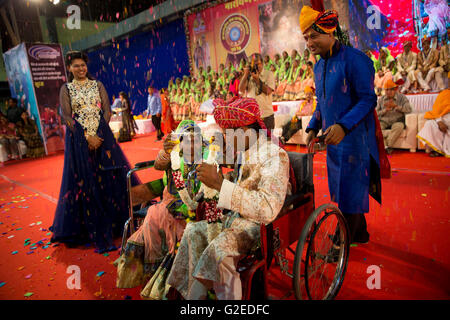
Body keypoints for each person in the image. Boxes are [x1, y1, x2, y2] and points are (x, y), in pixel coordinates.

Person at [166, 98, 290, 300]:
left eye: (228, 133)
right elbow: (239, 185)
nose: (225, 138)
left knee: (219, 249)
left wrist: (220, 185)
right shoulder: (245, 152)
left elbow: (267, 208)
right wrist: (216, 183)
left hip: (258, 227)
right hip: (234, 218)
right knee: (192, 232)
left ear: (246, 130)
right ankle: (190, 294)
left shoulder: (274, 155)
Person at [301, 6, 388, 249]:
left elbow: (368, 99)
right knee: (342, 188)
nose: (309, 42)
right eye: (306, 37)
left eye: (313, 36)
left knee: (351, 188)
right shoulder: (319, 66)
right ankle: (360, 233)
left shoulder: (355, 60)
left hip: (355, 138)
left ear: (330, 32)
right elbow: (322, 102)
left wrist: (343, 126)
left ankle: (342, 242)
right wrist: (312, 126)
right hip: (333, 140)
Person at [50, 51, 140, 253]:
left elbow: (106, 111)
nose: (81, 69)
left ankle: (117, 224)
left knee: (108, 177)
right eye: (76, 66)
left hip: (103, 138)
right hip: (79, 141)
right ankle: (92, 227)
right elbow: (67, 116)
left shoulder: (97, 85)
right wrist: (86, 137)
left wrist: (98, 135)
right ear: (70, 68)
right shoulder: (67, 89)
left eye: (83, 65)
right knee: (87, 180)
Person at [115, 120, 206, 299]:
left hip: (196, 206)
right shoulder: (173, 154)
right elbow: (158, 165)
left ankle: (178, 281)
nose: (191, 143)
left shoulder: (206, 155)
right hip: (169, 203)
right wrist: (166, 150)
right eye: (186, 139)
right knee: (155, 216)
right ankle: (156, 276)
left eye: (194, 138)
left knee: (181, 224)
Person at [239, 53, 276, 130]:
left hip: (266, 116)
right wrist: (245, 75)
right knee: (253, 142)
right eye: (251, 64)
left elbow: (268, 91)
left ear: (262, 63)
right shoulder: (248, 76)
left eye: (256, 63)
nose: (254, 66)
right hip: (252, 117)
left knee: (267, 141)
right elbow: (241, 90)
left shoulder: (269, 74)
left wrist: (257, 80)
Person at [376, 79, 413, 154]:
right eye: (386, 90)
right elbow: (376, 113)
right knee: (376, 128)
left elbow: (409, 109)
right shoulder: (381, 99)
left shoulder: (402, 98)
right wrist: (385, 110)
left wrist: (396, 106)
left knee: (399, 127)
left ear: (395, 90)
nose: (388, 92)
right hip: (384, 121)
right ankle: (387, 146)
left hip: (397, 121)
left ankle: (387, 145)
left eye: (390, 90)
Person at [417, 80, 450, 157]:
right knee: (429, 124)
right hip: (443, 120)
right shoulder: (443, 94)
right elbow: (436, 110)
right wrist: (439, 121)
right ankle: (438, 149)